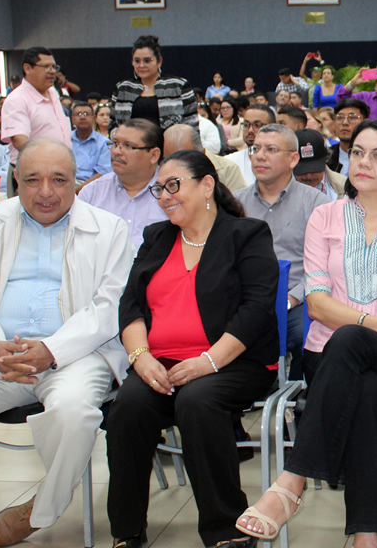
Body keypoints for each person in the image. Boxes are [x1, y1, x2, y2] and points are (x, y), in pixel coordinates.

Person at [237, 118, 377, 547]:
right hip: (331, 357)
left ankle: (292, 481)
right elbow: (316, 304)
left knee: (350, 343)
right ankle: (365, 534)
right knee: (361, 386)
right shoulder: (324, 216)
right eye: (357, 153)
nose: (363, 162)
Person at [106, 149, 277, 548]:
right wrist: (140, 357)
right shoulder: (157, 237)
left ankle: (225, 530)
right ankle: (127, 531)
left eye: (173, 186)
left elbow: (256, 309)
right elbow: (130, 303)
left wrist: (208, 361)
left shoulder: (246, 234)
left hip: (234, 362)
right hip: (161, 363)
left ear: (206, 186)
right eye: (158, 189)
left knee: (198, 401)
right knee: (128, 406)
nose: (164, 196)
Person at [0, 139, 132, 548]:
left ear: (76, 183)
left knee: (73, 413)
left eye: (58, 180)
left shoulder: (110, 229)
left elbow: (108, 307)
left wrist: (50, 351)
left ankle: (39, 510)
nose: (45, 191)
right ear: (16, 179)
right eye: (33, 180)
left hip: (74, 357)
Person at [234, 124, 329, 380]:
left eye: (271, 149)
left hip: (297, 298)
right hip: (245, 299)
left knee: (306, 336)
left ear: (293, 159)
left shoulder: (317, 204)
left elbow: (325, 265)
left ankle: (301, 404)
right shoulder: (235, 204)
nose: (260, 156)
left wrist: (293, 298)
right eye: (256, 149)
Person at [78, 118, 168, 251]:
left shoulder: (172, 194)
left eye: (128, 146)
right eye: (115, 144)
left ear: (154, 155)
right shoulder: (92, 192)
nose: (117, 152)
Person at [0, 47, 72, 197]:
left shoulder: (53, 93)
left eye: (54, 67)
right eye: (46, 66)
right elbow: (20, 141)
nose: (52, 71)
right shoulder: (17, 99)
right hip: (33, 175)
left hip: (59, 170)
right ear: (27, 68)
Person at [111, 35, 197, 132]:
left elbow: (192, 125)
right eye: (137, 61)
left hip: (170, 145)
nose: (141, 65)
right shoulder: (122, 88)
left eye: (147, 61)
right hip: (130, 145)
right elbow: (113, 125)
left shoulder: (179, 85)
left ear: (159, 61)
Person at [163, 123, 246, 192]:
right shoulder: (163, 175)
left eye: (183, 159)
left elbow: (236, 208)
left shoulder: (227, 170)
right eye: (169, 160)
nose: (176, 165)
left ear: (201, 151)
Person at [69, 102, 112, 188]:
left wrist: (79, 190)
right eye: (78, 114)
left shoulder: (104, 143)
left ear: (94, 118)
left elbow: (103, 173)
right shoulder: (66, 139)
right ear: (72, 119)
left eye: (86, 114)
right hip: (65, 184)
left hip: (91, 187)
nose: (82, 117)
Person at [327, 98, 368, 176]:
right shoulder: (326, 157)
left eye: (352, 118)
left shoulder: (375, 157)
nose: (345, 123)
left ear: (365, 122)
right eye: (340, 118)